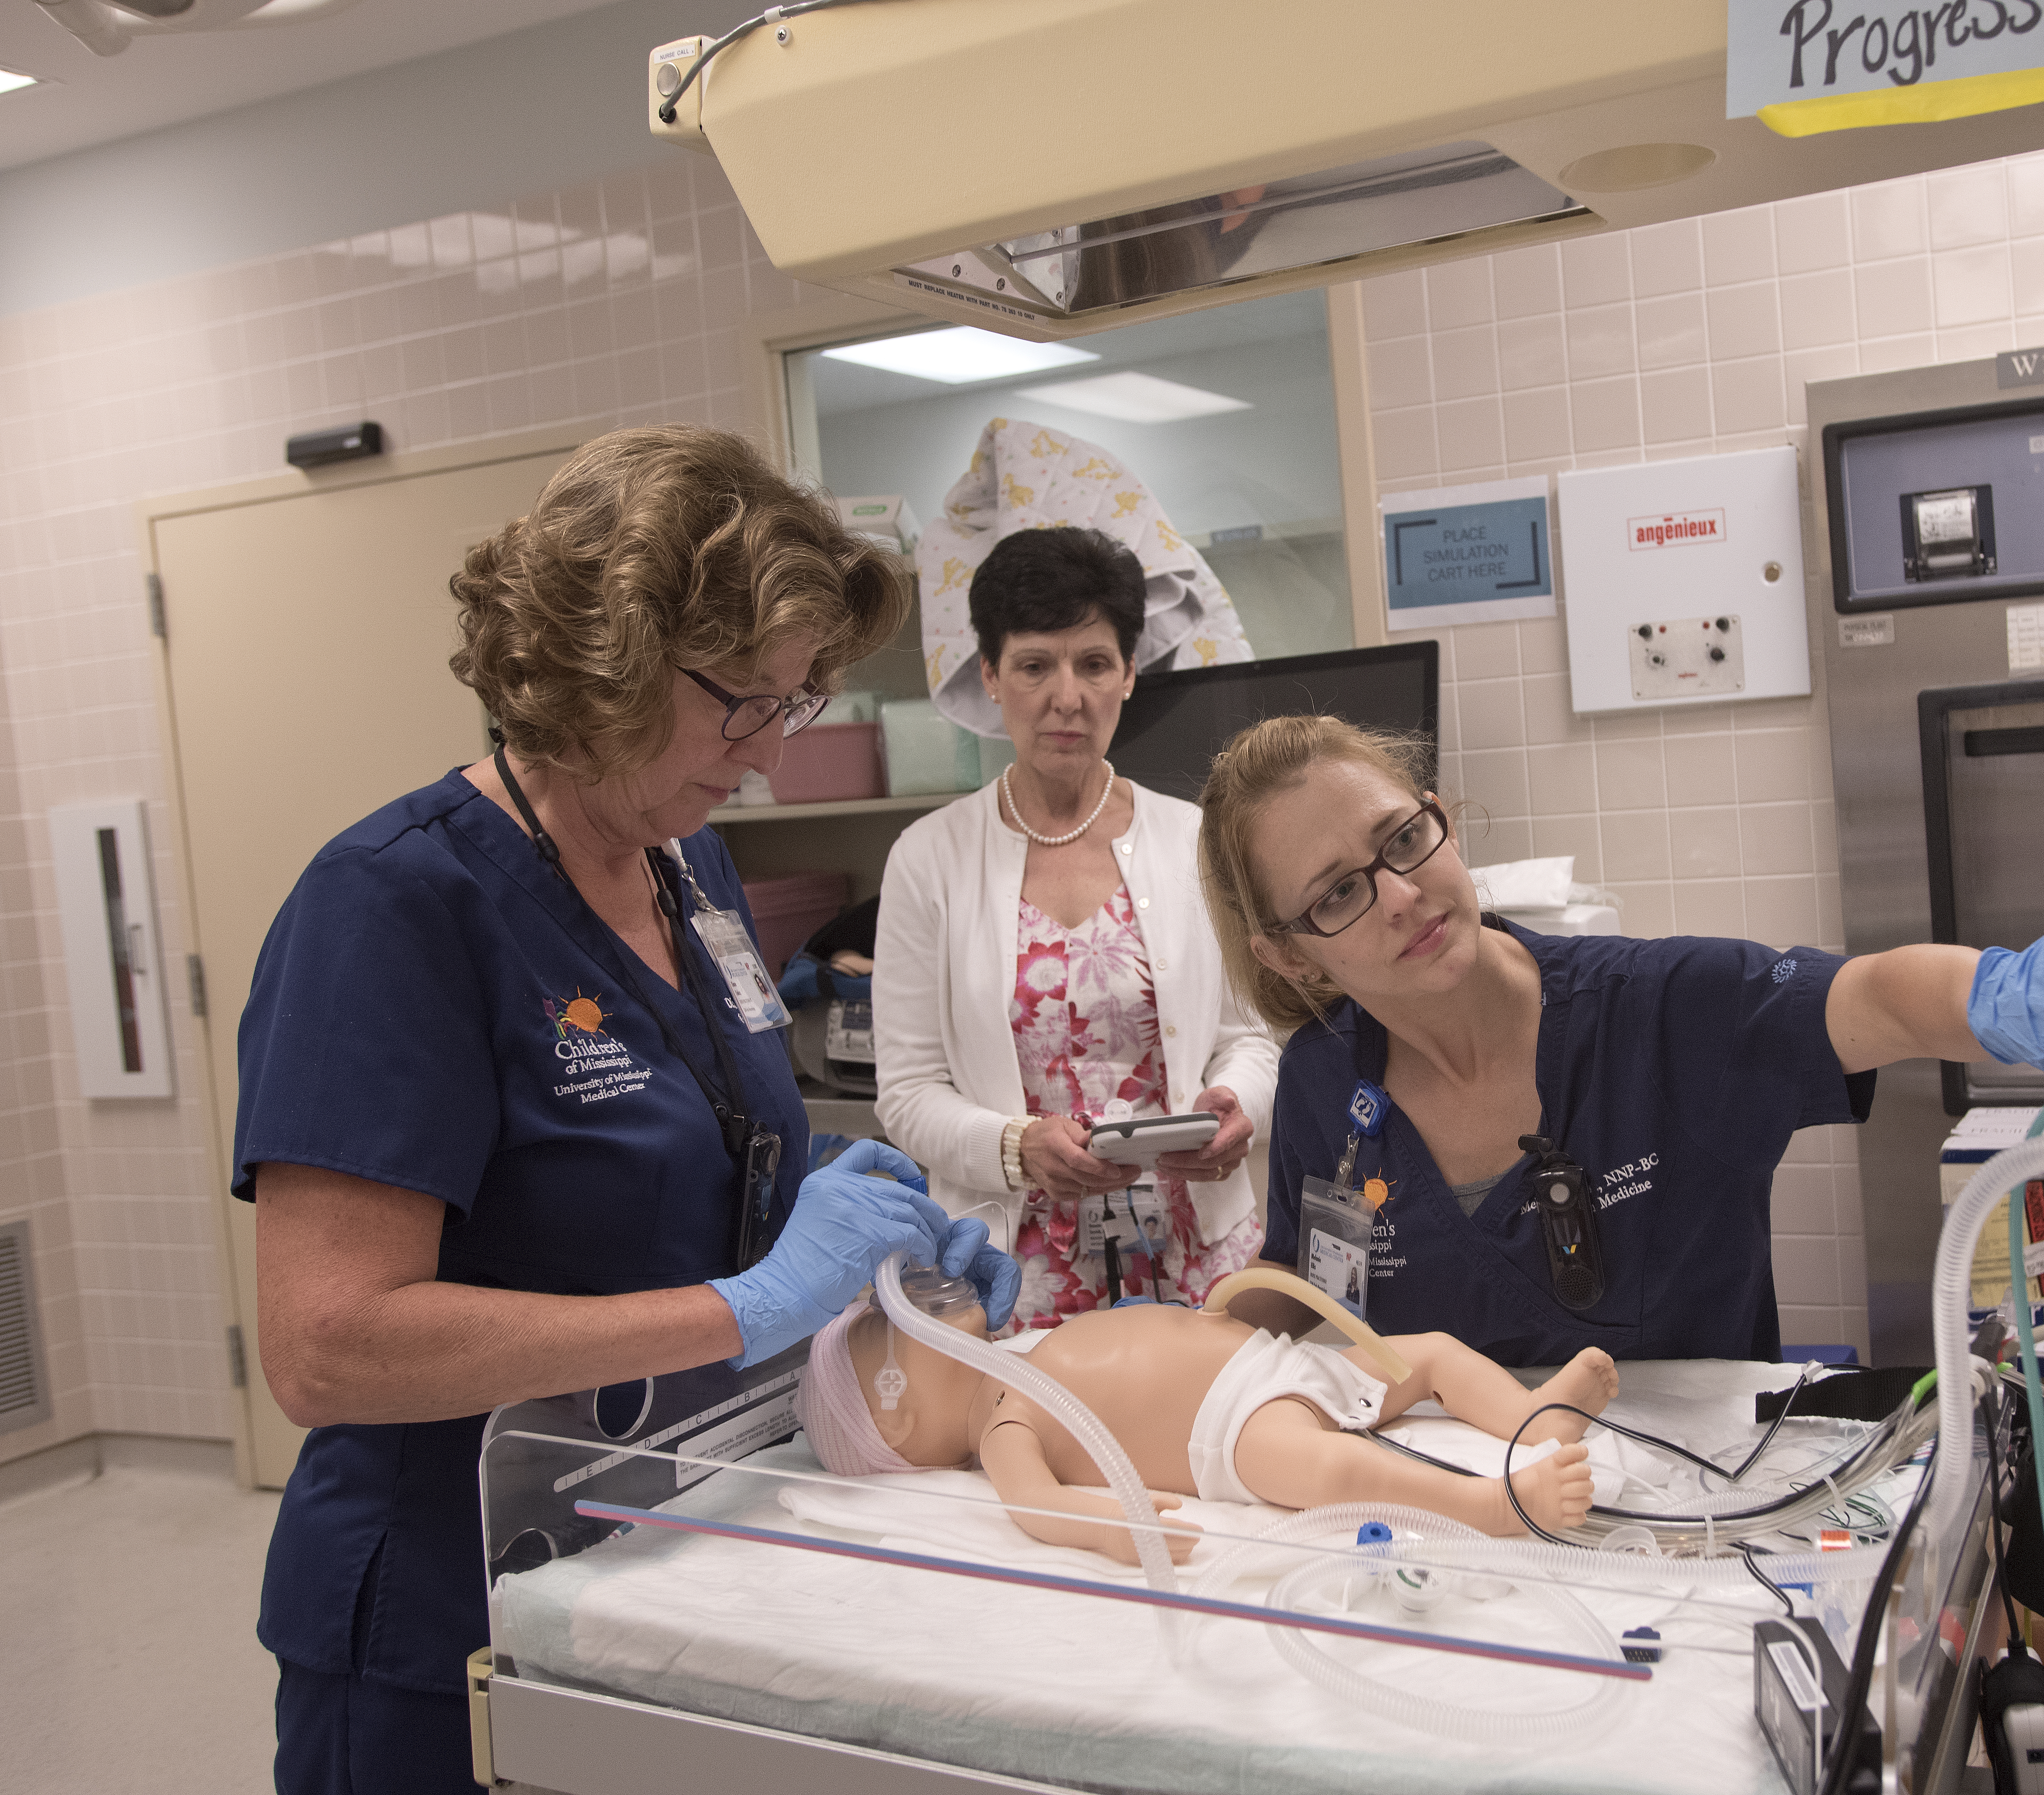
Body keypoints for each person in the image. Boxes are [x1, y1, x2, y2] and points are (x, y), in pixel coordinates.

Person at [234, 426, 1020, 1795]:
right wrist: (748, 1309)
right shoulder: (395, 906)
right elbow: (327, 1347)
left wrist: (867, 1225)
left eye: (798, 703)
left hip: (655, 1544)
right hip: (445, 1616)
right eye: (743, 703)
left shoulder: (687, 866)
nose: (771, 754)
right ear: (606, 656)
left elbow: (692, 1145)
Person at [1194, 716, 2044, 1367]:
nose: (1400, 894)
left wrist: (2006, 991)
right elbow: (1309, 1281)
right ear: (1289, 957)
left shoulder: (1657, 1012)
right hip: (1452, 1536)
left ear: (1442, 824)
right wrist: (1163, 1348)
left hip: (1703, 1527)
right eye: (1336, 893)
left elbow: (1874, 995)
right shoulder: (1329, 1085)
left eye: (1402, 841)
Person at [875, 527, 1276, 1330]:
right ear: (990, 675)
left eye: (1094, 663)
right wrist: (1016, 1147)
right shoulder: (929, 859)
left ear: (1129, 673)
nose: (1069, 696)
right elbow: (909, 1094)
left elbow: (1252, 1036)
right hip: (1014, 1269)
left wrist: (1239, 1106)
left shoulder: (1197, 840)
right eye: (1034, 665)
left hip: (1197, 1255)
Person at [796, 1273, 1617, 1553]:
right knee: (1330, 1470)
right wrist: (1112, 1527)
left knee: (1432, 1351)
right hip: (1234, 1430)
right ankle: (1495, 1505)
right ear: (896, 1416)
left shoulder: (1026, 1349)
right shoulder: (1010, 1423)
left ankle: (1532, 1418)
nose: (927, 1305)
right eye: (899, 1329)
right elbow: (1035, 1506)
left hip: (1280, 1363)